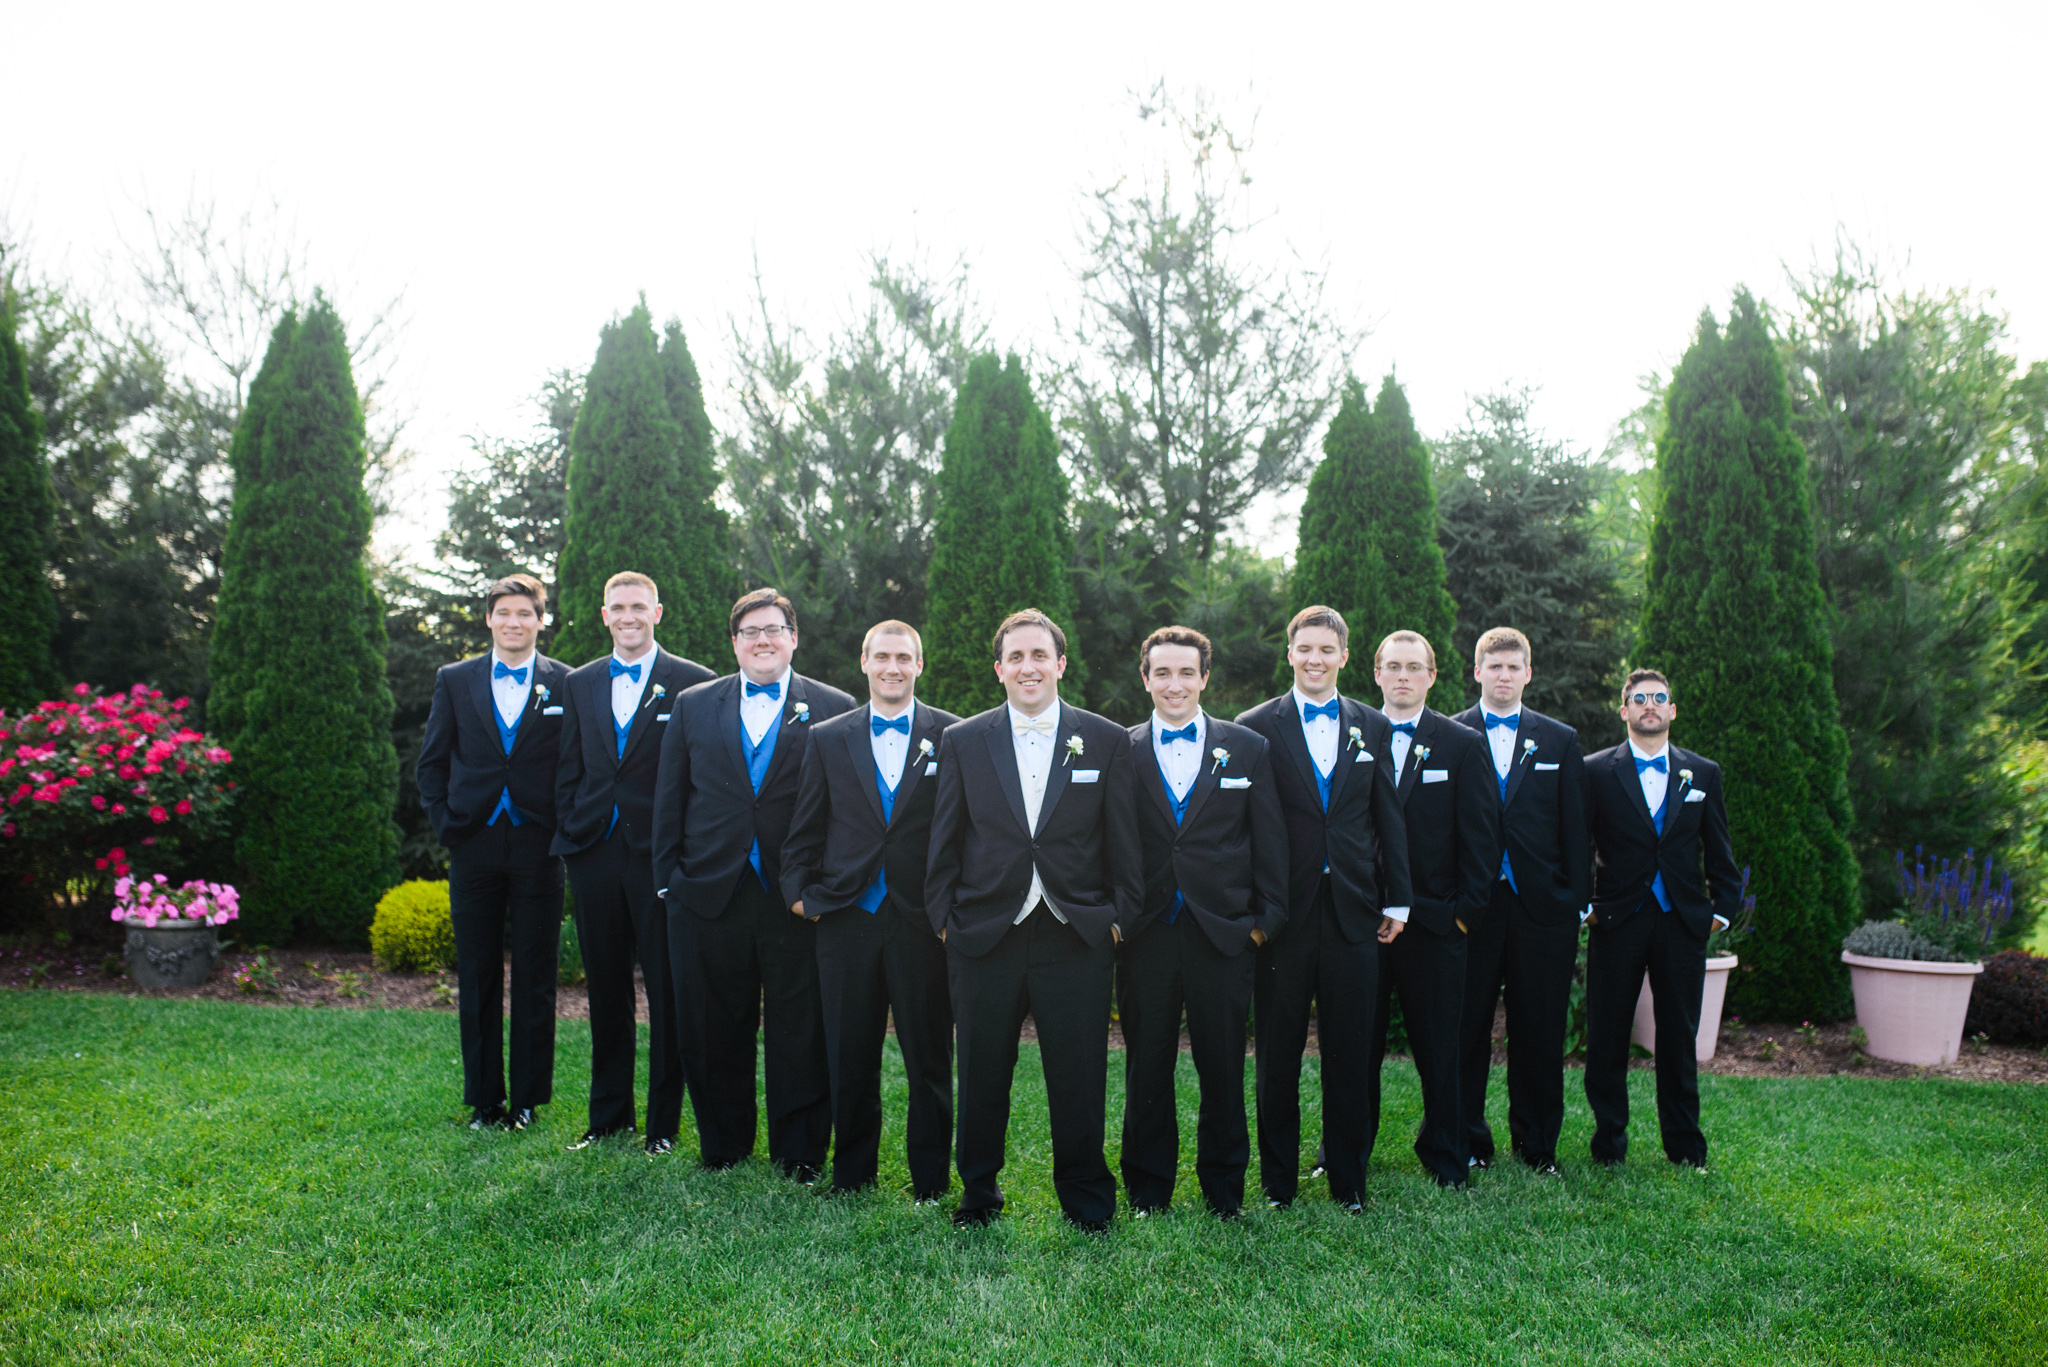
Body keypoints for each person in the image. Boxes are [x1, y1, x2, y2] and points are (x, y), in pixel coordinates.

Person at [925, 609, 1142, 1232]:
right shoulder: (964, 740)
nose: (1028, 667)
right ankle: (978, 1194)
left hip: (1076, 933)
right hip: (985, 932)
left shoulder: (1104, 739)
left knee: (1078, 1073)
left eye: (1039, 655)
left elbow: (1124, 842)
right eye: (1016, 657)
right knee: (983, 1071)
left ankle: (1086, 1199)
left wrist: (1117, 920)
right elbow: (945, 839)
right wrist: (945, 919)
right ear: (999, 669)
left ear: (1060, 664)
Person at [652, 588, 855, 1179]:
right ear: (734, 642)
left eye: (773, 630)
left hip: (792, 897)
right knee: (714, 1025)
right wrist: (669, 881)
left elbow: (845, 809)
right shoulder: (693, 705)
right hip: (708, 892)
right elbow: (671, 798)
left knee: (801, 1026)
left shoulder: (833, 704)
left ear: (794, 637)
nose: (762, 640)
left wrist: (823, 889)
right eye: (749, 632)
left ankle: (799, 1153)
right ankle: (723, 1143)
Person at [1235, 605, 1412, 1211]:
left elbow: (1388, 815)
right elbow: (1245, 829)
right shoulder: (1256, 726)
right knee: (1278, 1055)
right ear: (1290, 654)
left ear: (1343, 656)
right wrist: (1254, 910)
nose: (1315, 659)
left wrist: (1400, 899)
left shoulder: (1373, 726)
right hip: (1283, 915)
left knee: (1350, 1051)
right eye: (1304, 649)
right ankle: (1279, 1183)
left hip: (1355, 911)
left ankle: (1349, 1181)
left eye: (1326, 650)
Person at [780, 621, 960, 1200]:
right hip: (846, 916)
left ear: (919, 665)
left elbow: (963, 831)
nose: (892, 667)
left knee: (929, 1057)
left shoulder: (951, 736)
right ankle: (853, 1174)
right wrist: (799, 895)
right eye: (882, 656)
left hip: (920, 921)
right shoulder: (829, 737)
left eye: (904, 658)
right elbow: (805, 825)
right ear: (864, 662)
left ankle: (930, 1181)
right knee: (848, 1055)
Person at [1119, 626, 1286, 1219]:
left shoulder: (1246, 749)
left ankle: (1223, 1191)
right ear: (1145, 679)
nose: (1174, 683)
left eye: (1186, 672)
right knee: (1147, 1064)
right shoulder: (1123, 748)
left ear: (1204, 678)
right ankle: (1147, 1189)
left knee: (1222, 1068)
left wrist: (1261, 924)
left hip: (1224, 934)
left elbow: (1268, 840)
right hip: (1147, 935)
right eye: (1162, 672)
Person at [551, 572, 715, 1155]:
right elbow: (570, 764)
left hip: (659, 858)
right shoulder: (581, 682)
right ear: (603, 615)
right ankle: (608, 1117)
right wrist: (572, 828)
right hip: (594, 852)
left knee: (667, 991)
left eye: (638, 607)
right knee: (605, 988)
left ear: (657, 612)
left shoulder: (693, 684)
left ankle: (664, 1127)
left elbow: (702, 780)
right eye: (618, 607)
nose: (628, 616)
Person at [417, 573, 572, 1131]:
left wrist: (562, 829)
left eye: (524, 614)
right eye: (504, 613)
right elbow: (432, 763)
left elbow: (575, 765)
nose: (514, 622)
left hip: (538, 846)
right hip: (474, 844)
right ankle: (484, 1099)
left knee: (536, 972)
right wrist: (447, 825)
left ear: (539, 620)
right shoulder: (455, 680)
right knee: (478, 972)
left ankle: (528, 1099)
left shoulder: (565, 683)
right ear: (489, 619)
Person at [1582, 669, 1739, 1170]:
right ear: (1624, 709)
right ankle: (1609, 1145)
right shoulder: (1595, 771)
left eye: (1659, 698)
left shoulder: (1703, 773)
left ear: (1672, 710)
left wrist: (1720, 914)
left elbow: (1720, 852)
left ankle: (1685, 1147)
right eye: (1639, 698)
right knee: (1606, 1036)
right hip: (1616, 920)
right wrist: (1584, 905)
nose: (1649, 705)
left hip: (1681, 923)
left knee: (1678, 1037)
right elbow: (1575, 844)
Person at [1452, 626, 1590, 1176]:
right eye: (1495, 666)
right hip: (1474, 908)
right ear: (1478, 671)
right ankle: (1467, 1140)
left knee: (1539, 1031)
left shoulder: (1559, 740)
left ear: (1528, 674)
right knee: (1466, 1029)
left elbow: (1576, 828)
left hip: (1542, 910)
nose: (1504, 675)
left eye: (1514, 667)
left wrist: (1575, 900)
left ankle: (1537, 1146)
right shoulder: (1452, 733)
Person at [1365, 630, 1499, 1188]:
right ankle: (1344, 1149)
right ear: (1375, 673)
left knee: (1442, 1047)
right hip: (1364, 924)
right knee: (1356, 1047)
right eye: (1392, 665)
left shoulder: (1462, 743)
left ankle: (1447, 1153)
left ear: (1432, 676)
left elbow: (1483, 839)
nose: (1402, 675)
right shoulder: (1352, 733)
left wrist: (1460, 916)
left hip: (1437, 923)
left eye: (1413, 666)